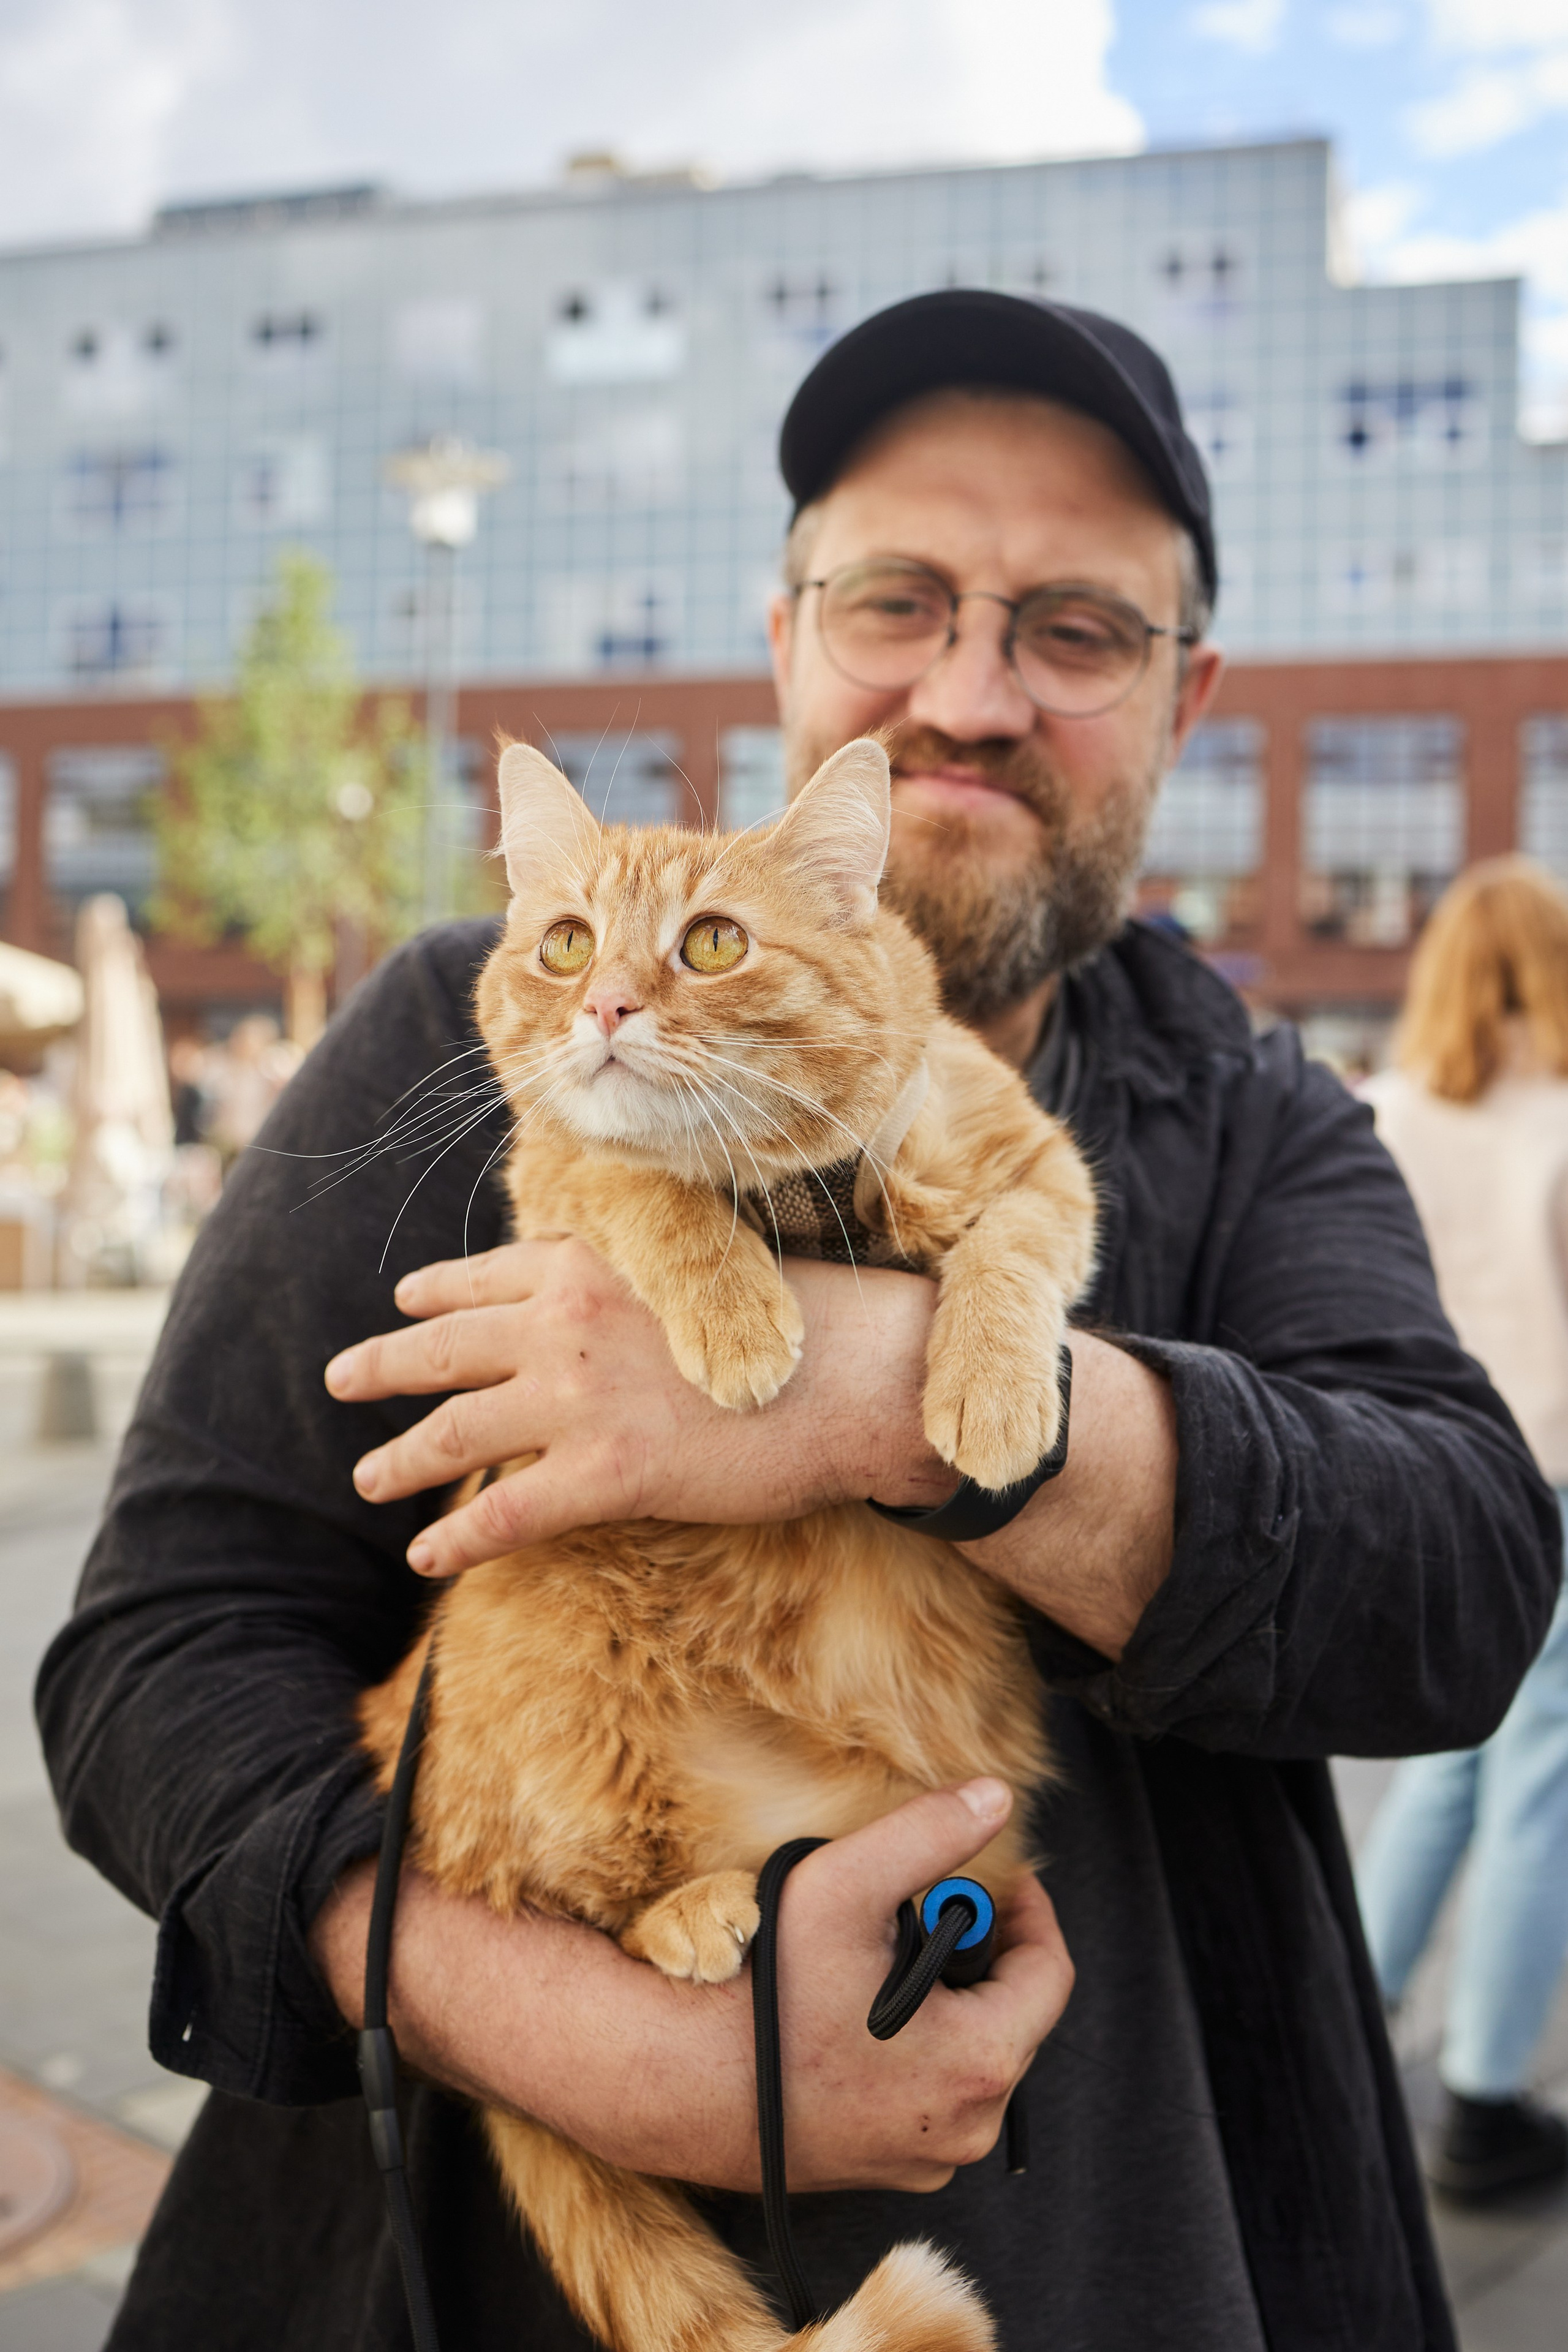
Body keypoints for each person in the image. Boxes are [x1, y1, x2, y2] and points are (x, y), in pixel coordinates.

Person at [36, 292, 1560, 2352]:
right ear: (786, 647)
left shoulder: (1264, 1114)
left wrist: (877, 1400)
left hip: (1160, 2253)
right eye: (898, 598)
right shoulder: (464, 1030)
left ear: (1189, 699)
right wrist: (589, 2043)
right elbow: (154, 1654)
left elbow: (1462, 1581)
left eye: (1078, 630)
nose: (973, 690)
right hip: (447, 2265)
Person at [1356, 858, 1568, 2202]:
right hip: (1552, 1467)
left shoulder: (1381, 1116)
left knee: (1442, 1763)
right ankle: (1484, 2102)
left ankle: (1346, 2018)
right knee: (1541, 1775)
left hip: (1427, 1469)